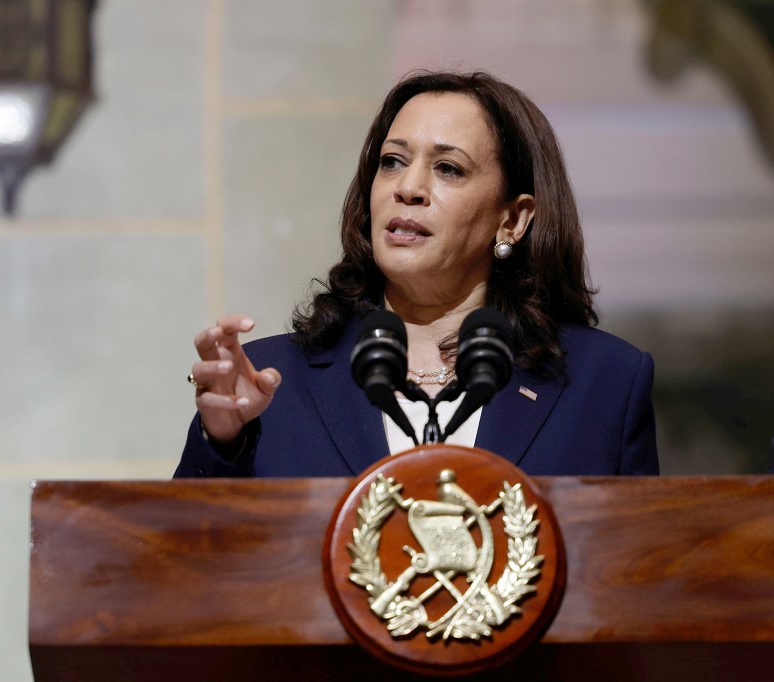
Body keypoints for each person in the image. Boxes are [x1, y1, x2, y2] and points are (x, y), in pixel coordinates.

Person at [174, 70, 659, 479]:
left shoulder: (604, 383)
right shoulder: (270, 384)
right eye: (392, 162)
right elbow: (181, 565)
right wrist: (223, 443)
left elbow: (639, 576)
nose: (408, 187)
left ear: (512, 218)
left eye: (448, 168)